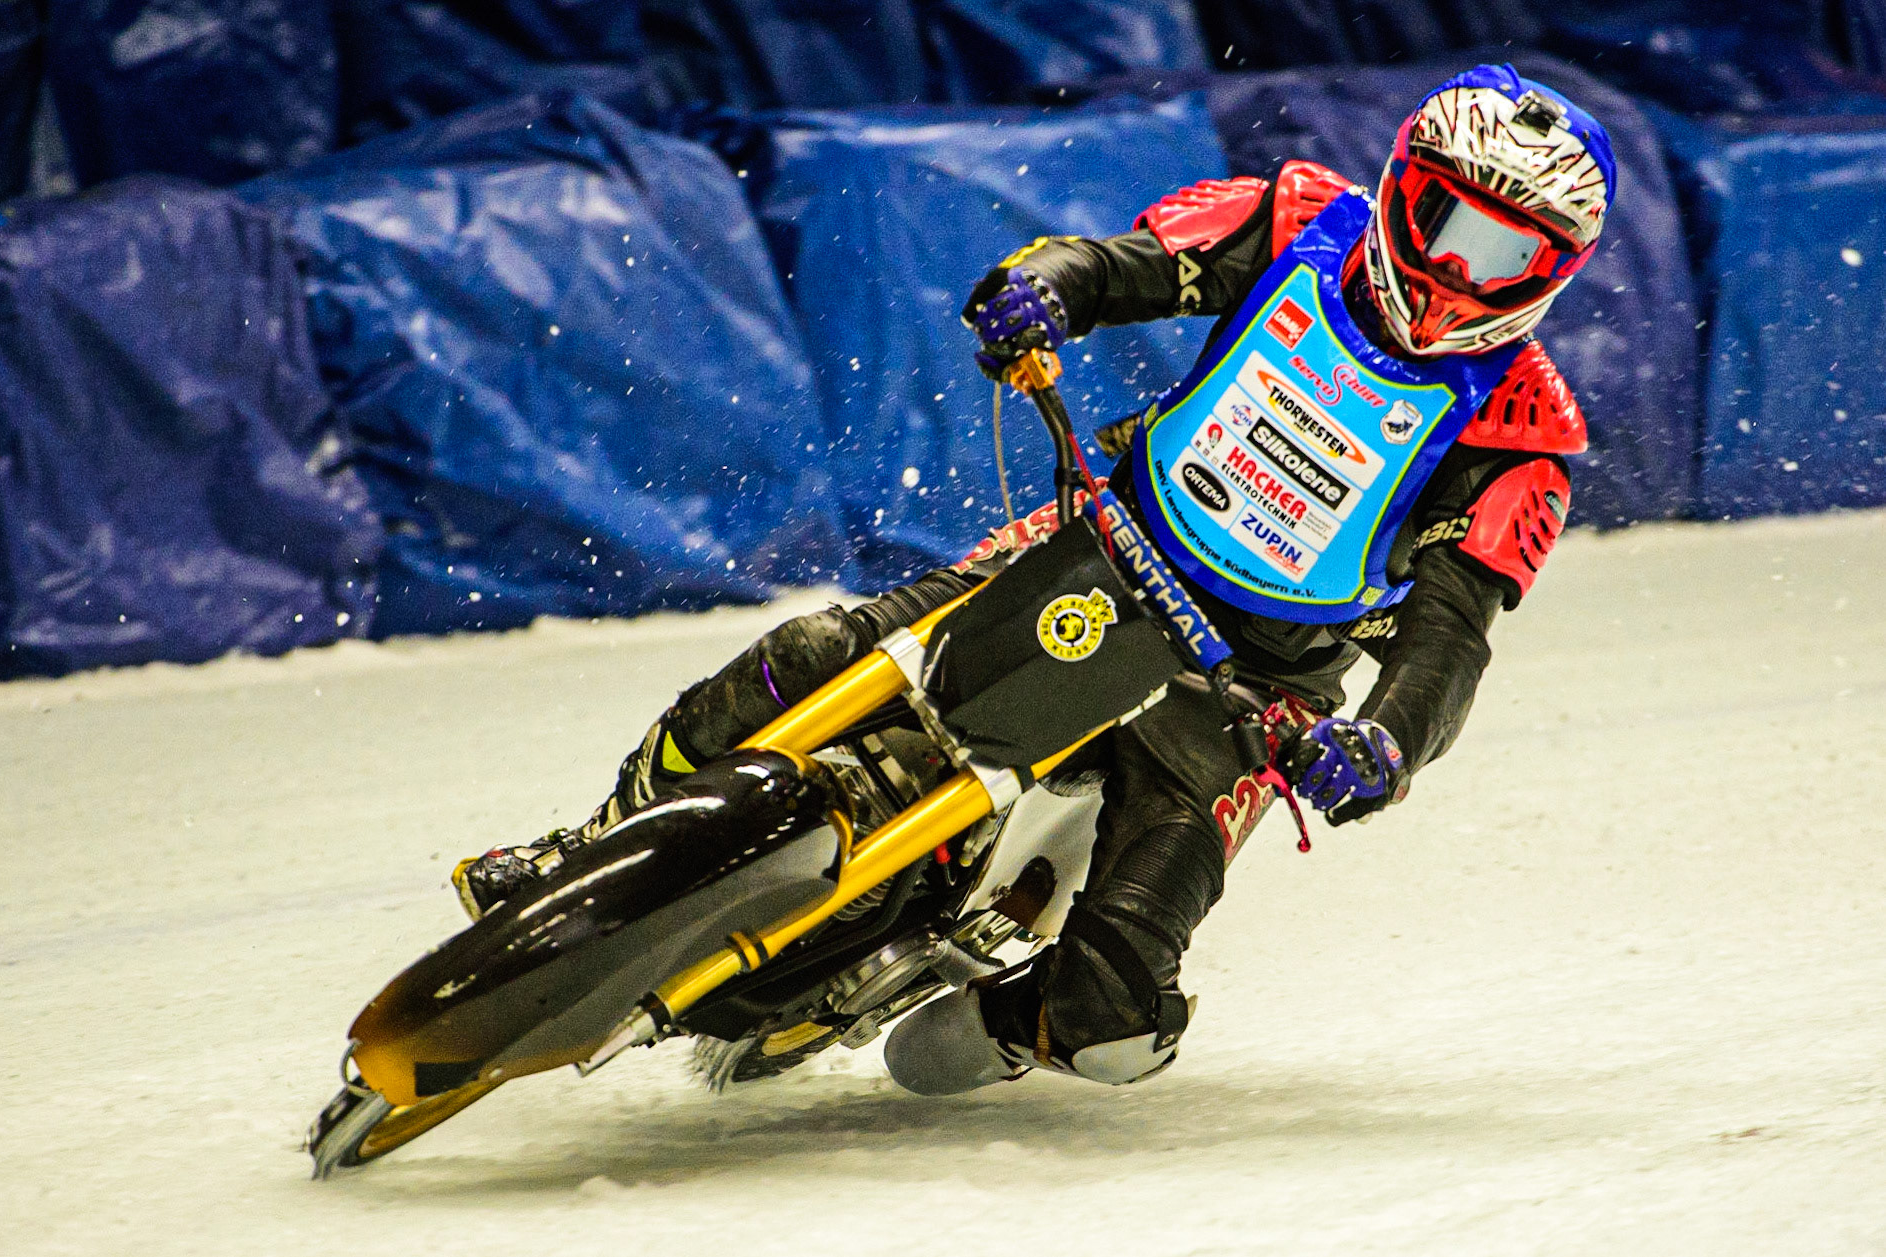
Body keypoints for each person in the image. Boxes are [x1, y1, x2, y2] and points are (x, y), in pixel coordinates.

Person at [453, 64, 1613, 1095]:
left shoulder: (1525, 430)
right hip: (1101, 543)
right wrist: (1042, 290)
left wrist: (1385, 746)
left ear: (1551, 273)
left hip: (1253, 688)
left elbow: (1451, 638)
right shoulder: (1298, 220)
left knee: (1114, 1020)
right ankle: (589, 842)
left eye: (1507, 253)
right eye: (1447, 223)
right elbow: (1123, 268)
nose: (1463, 269)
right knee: (811, 657)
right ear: (1405, 185)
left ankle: (1008, 1017)